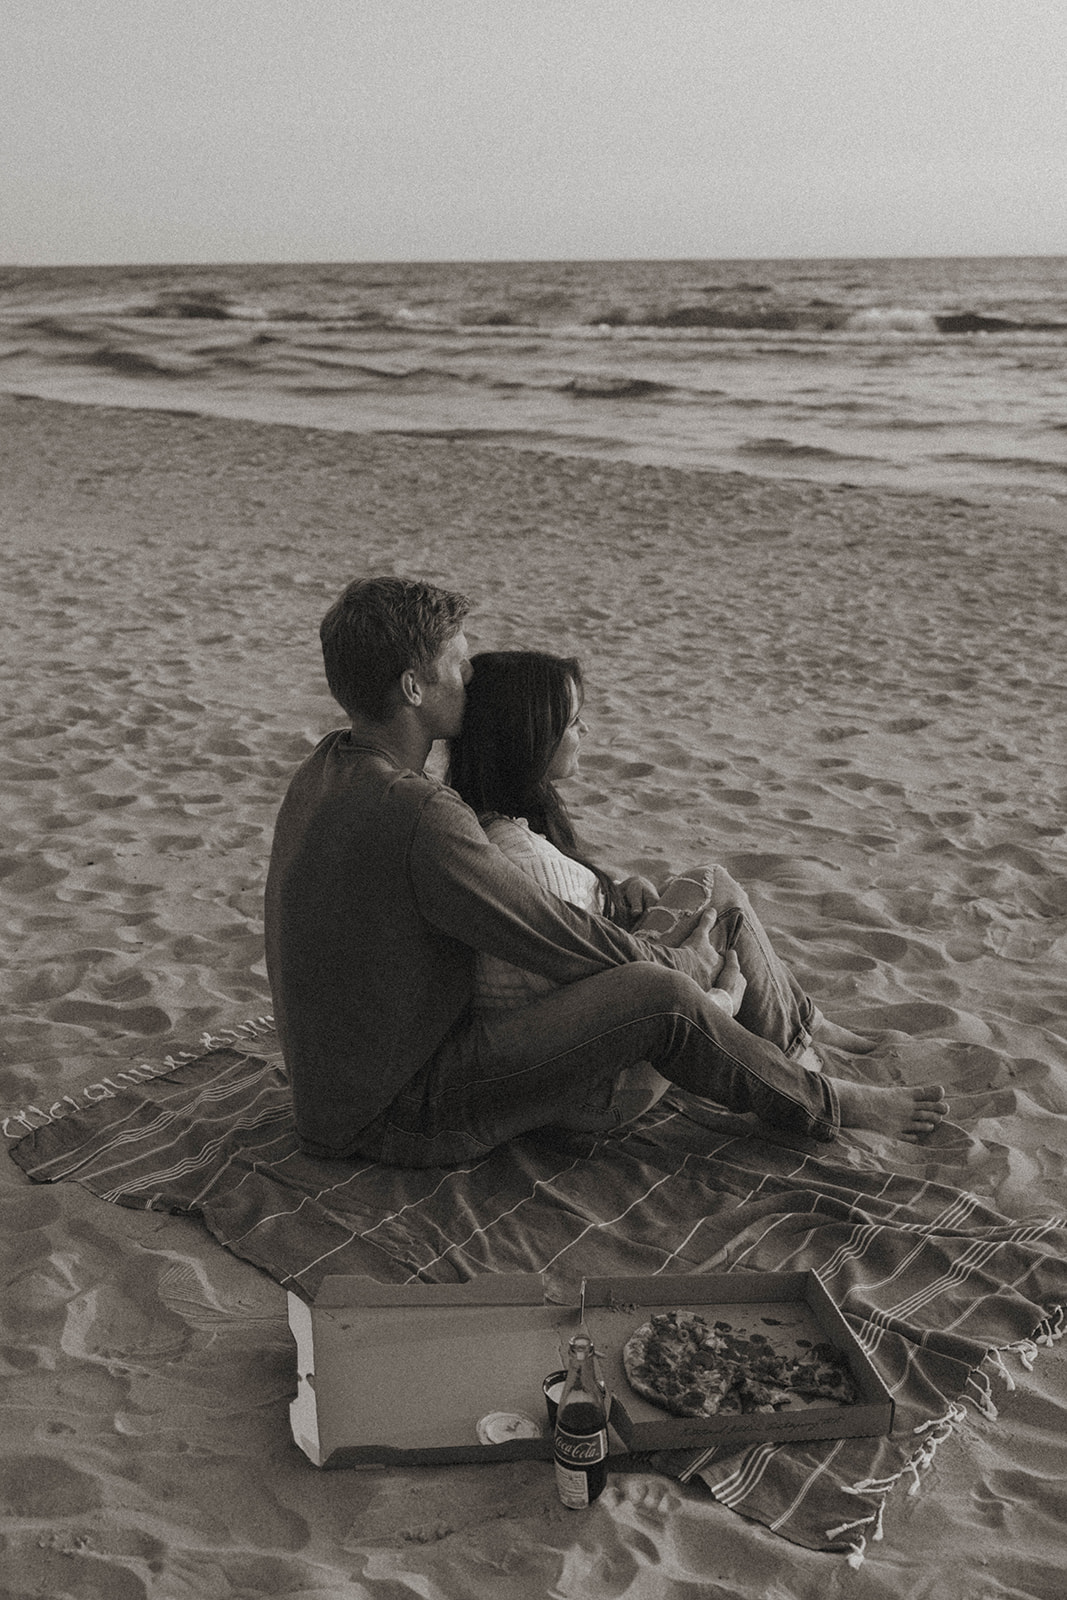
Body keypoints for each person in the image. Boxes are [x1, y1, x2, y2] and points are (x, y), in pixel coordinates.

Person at [264, 575, 948, 1168]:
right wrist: (680, 969)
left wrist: (625, 913)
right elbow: (554, 938)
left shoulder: (329, 766)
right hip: (400, 1113)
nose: (472, 680)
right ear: (415, 686)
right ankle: (824, 1103)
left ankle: (790, 1036)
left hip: (342, 1094)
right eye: (460, 666)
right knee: (656, 993)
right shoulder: (414, 812)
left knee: (666, 965)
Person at [447, 649, 853, 1076]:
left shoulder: (488, 822)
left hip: (578, 1041)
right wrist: (722, 1001)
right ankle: (802, 1061)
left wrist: (614, 897)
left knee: (710, 895)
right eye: (571, 722)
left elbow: (576, 940)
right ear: (527, 738)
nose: (585, 728)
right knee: (717, 894)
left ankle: (807, 1030)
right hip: (600, 1077)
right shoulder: (526, 858)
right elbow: (596, 1002)